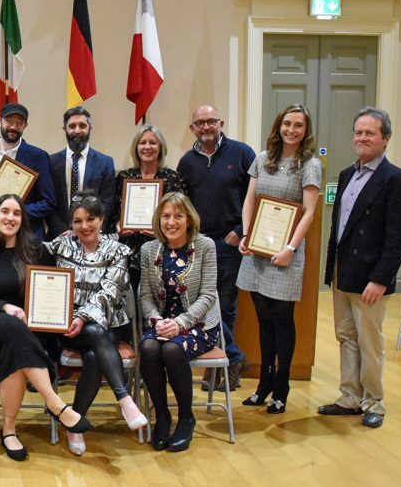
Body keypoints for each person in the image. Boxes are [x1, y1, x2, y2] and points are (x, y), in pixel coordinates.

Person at [0, 194, 90, 461]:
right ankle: (55, 403)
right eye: (4, 212)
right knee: (12, 329)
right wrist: (4, 307)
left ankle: (9, 430)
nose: (10, 218)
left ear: (23, 219)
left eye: (16, 213)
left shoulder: (36, 250)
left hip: (31, 328)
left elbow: (52, 291)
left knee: (16, 347)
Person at [318, 107, 401, 429]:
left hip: (371, 279)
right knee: (346, 337)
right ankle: (349, 397)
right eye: (358, 132)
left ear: (385, 139)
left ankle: (374, 401)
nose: (362, 138)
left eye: (370, 133)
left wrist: (380, 279)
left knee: (370, 343)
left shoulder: (398, 181)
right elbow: (340, 229)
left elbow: (399, 239)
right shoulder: (347, 175)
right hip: (343, 273)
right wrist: (330, 271)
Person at [45, 191, 147, 456]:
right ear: (71, 224)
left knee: (93, 355)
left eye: (90, 219)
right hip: (68, 327)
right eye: (77, 221)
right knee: (91, 335)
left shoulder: (117, 250)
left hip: (109, 323)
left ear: (101, 219)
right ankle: (124, 398)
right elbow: (33, 259)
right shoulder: (61, 245)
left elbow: (110, 292)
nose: (84, 226)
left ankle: (75, 424)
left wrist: (83, 316)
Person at [237, 104, 322, 414]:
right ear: (279, 125)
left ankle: (281, 387)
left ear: (305, 130)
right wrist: (246, 235)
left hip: (285, 254)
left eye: (298, 125)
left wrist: (291, 248)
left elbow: (309, 211)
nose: (292, 129)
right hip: (257, 251)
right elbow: (250, 199)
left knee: (282, 321)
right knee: (263, 321)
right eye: (287, 123)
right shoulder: (262, 159)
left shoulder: (310, 165)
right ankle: (263, 384)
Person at [176, 104, 255, 389]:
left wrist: (240, 230)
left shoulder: (242, 154)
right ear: (192, 128)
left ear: (221, 122)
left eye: (211, 121)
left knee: (226, 307)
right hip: (199, 246)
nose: (206, 127)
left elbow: (254, 198)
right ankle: (232, 357)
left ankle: (221, 367)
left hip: (230, 243)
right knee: (204, 307)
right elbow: (183, 205)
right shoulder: (186, 162)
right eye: (201, 123)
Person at [138, 192, 221, 453]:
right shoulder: (148, 249)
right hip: (162, 322)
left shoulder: (206, 246)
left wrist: (181, 323)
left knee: (172, 349)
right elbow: (146, 296)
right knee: (150, 348)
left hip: (198, 325)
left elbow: (208, 295)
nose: (171, 222)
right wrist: (157, 320)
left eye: (177, 216)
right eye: (165, 216)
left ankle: (186, 417)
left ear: (188, 219)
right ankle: (162, 416)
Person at [112, 124, 187, 291]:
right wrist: (119, 227)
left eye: (152, 143)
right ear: (136, 147)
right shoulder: (124, 177)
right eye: (142, 142)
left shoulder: (173, 178)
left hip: (163, 249)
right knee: (130, 299)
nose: (147, 147)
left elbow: (183, 217)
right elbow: (113, 213)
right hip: (128, 250)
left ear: (160, 147)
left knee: (159, 297)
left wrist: (162, 231)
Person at [0, 103, 56, 239]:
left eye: (19, 123)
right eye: (9, 121)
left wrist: (16, 213)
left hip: (27, 235)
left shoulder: (38, 156)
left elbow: (48, 201)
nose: (13, 127)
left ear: (25, 126)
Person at [47, 106, 116, 237]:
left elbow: (107, 202)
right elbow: (49, 203)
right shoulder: (51, 162)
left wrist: (89, 227)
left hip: (94, 235)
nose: (77, 130)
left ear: (90, 128)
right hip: (60, 236)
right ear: (64, 129)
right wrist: (63, 231)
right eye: (72, 126)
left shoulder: (105, 162)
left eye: (82, 125)